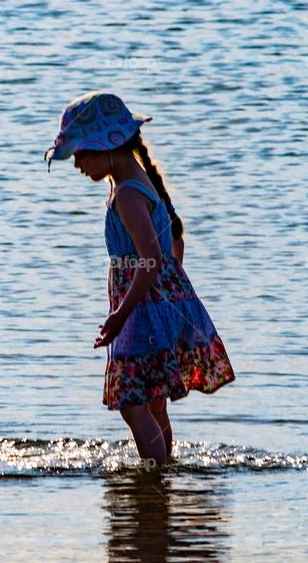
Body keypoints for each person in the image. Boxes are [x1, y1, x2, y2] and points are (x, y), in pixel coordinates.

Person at [44, 91, 236, 466]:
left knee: (132, 404)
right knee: (153, 401)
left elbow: (149, 260)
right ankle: (163, 477)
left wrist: (121, 315)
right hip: (159, 304)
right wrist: (173, 292)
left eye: (81, 154)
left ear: (108, 146)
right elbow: (173, 244)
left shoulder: (128, 197)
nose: (77, 164)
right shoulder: (141, 184)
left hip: (142, 309)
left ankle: (155, 480)